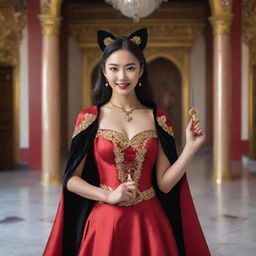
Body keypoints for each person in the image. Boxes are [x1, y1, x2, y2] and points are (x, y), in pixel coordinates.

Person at [43, 28, 210, 256]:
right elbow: (71, 180)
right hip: (105, 225)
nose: (122, 77)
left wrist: (190, 148)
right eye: (114, 68)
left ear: (141, 71)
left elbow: (165, 184)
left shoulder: (158, 118)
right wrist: (108, 195)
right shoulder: (90, 117)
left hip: (150, 224)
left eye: (130, 68)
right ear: (104, 72)